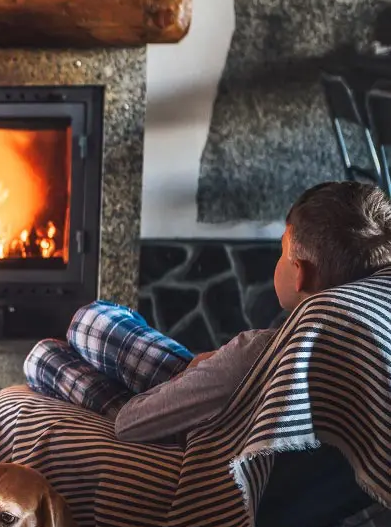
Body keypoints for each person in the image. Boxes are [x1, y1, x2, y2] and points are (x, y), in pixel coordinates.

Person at [25, 180, 391, 445]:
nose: (276, 261)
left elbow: (130, 424)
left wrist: (194, 378)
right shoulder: (362, 336)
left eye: (281, 251)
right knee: (89, 321)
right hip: (220, 394)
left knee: (46, 353)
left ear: (301, 274)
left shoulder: (255, 354)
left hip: (185, 429)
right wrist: (206, 367)